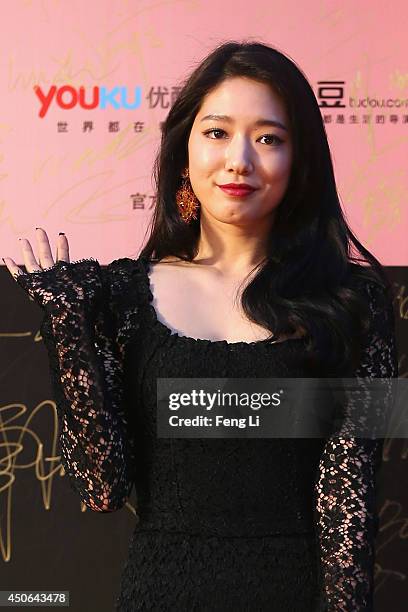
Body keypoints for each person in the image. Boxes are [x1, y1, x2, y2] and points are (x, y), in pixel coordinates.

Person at [3, 41, 398, 611]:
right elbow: (102, 488)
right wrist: (69, 326)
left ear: (301, 159)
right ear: (184, 149)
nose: (240, 159)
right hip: (159, 592)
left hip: (292, 594)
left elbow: (350, 502)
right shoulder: (121, 295)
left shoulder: (353, 301)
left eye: (269, 138)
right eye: (217, 132)